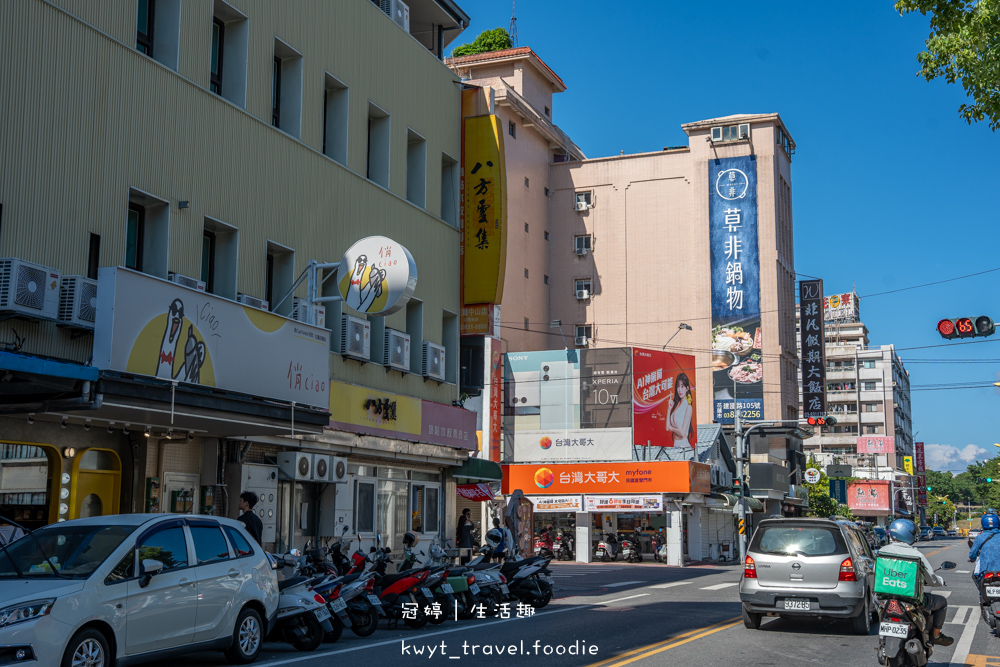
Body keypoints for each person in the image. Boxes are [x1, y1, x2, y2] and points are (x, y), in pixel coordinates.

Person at [879, 518, 953, 646]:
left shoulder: (882, 551)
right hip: (910, 600)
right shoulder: (916, 554)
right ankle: (936, 635)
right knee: (942, 602)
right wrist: (940, 581)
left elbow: (876, 572)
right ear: (908, 535)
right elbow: (932, 580)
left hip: (885, 599)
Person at [969, 512, 1000, 600]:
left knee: (976, 577)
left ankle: (982, 593)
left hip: (986, 572)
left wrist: (972, 559)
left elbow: (972, 554)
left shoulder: (980, 537)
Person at [666, 373, 694, 448]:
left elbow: (682, 432)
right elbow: (667, 427)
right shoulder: (676, 405)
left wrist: (672, 428)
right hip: (676, 444)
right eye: (678, 386)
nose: (680, 390)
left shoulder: (688, 407)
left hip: (684, 445)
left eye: (682, 386)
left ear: (687, 388)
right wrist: (669, 409)